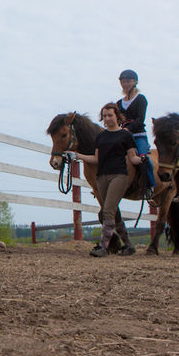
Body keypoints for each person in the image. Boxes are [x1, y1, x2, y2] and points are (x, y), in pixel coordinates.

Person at [66, 103, 144, 257]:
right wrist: (77, 155)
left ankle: (103, 247)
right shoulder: (100, 136)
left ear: (117, 116)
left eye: (110, 115)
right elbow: (95, 159)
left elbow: (132, 157)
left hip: (119, 176)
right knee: (114, 214)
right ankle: (128, 246)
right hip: (102, 177)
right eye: (105, 115)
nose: (107, 118)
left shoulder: (126, 135)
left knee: (107, 211)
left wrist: (141, 160)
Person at [116, 69, 155, 199]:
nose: (125, 84)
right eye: (123, 81)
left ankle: (150, 186)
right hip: (122, 136)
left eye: (128, 81)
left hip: (138, 135)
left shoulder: (141, 99)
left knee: (144, 158)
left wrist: (128, 129)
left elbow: (140, 119)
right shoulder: (118, 103)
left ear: (135, 82)